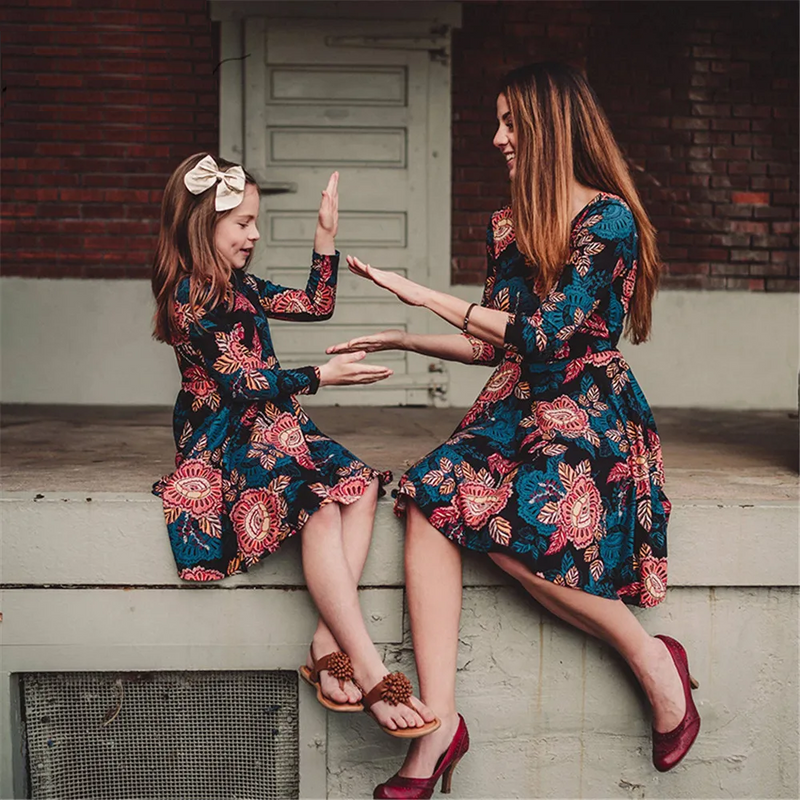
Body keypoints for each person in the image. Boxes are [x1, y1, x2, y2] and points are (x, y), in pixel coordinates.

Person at [328, 62, 699, 797]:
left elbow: (553, 334)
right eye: (498, 123)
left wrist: (426, 294)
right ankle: (436, 728)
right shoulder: (508, 224)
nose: (498, 138)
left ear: (550, 128)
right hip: (513, 402)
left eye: (510, 124)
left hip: (588, 406)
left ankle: (653, 658)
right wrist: (401, 337)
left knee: (503, 520)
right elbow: (491, 344)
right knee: (431, 499)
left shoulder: (608, 218)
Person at [151, 153, 439, 738]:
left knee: (357, 486)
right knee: (317, 500)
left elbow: (314, 305)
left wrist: (324, 238)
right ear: (203, 224)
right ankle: (368, 665)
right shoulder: (188, 297)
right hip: (223, 435)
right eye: (243, 224)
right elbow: (240, 383)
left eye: (255, 222)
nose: (254, 234)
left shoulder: (241, 285)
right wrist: (321, 377)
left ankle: (325, 640)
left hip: (273, 423)